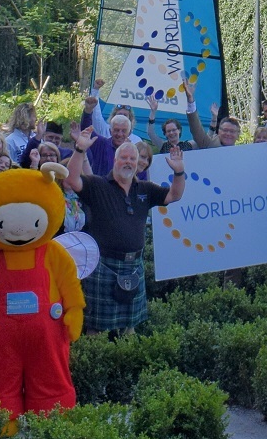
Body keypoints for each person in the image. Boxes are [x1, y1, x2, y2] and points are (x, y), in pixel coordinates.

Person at [64, 136, 184, 335]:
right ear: (115, 161)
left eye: (133, 159)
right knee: (97, 330)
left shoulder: (145, 189)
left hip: (133, 266)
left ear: (138, 165)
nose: (128, 162)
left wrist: (179, 171)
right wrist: (79, 150)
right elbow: (71, 180)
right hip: (103, 265)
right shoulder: (97, 185)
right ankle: (97, 361)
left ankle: (127, 360)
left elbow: (175, 195)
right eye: (124, 157)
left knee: (130, 329)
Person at [4, 103, 39, 167]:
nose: (36, 119)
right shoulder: (10, 141)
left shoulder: (37, 138)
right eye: (33, 116)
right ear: (26, 118)